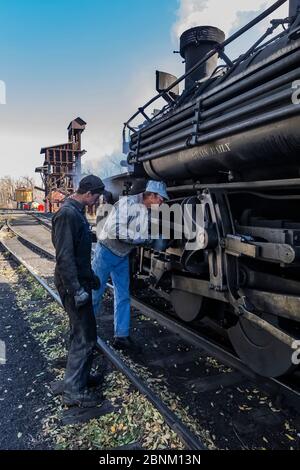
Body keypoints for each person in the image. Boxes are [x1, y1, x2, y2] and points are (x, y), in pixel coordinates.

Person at [92, 180, 169, 350]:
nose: (162, 203)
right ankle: (85, 335)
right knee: (95, 294)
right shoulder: (128, 203)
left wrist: (153, 238)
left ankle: (121, 336)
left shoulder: (148, 210)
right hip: (106, 251)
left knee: (123, 295)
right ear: (151, 195)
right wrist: (143, 238)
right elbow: (115, 230)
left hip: (122, 254)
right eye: (161, 199)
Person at [52, 175, 106, 407]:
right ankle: (74, 392)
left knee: (79, 331)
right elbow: (64, 257)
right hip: (71, 285)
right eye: (95, 198)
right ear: (88, 193)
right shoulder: (67, 215)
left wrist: (90, 277)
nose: (95, 202)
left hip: (78, 281)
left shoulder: (76, 212)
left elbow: (78, 253)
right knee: (86, 337)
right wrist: (76, 289)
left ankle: (75, 380)